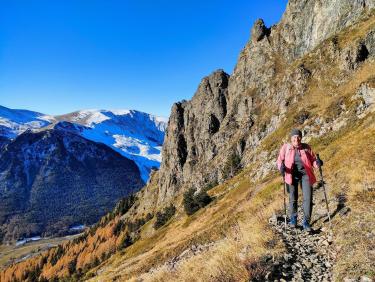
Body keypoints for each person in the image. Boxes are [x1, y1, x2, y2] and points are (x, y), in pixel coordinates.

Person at [276, 129, 323, 232]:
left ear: (301, 138)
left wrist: (318, 163)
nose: (296, 139)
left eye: (298, 137)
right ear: (291, 138)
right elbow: (279, 160)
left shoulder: (306, 147)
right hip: (291, 175)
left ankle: (306, 222)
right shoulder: (286, 148)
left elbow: (313, 160)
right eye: (294, 137)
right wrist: (281, 168)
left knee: (308, 198)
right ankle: (293, 219)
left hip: (306, 175)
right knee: (293, 197)